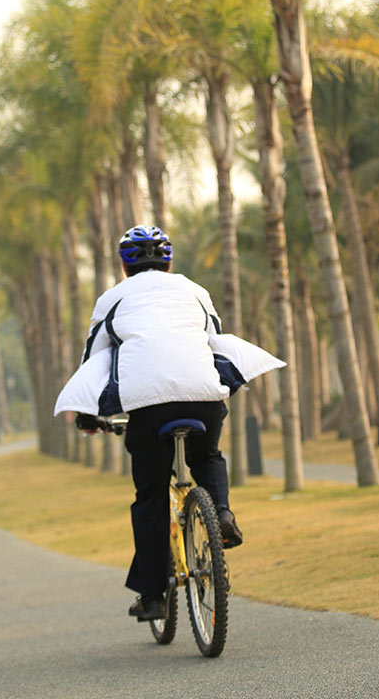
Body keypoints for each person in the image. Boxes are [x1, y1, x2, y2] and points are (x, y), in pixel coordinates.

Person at [54, 224, 283, 622]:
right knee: (207, 454)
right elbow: (213, 337)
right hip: (204, 398)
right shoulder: (194, 290)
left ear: (123, 267)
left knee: (151, 498)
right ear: (169, 260)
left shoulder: (112, 299)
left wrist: (89, 414)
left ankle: (153, 595)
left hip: (148, 406)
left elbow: (94, 359)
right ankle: (222, 514)